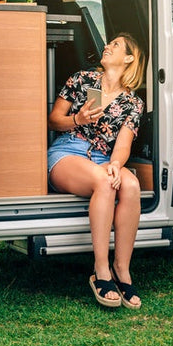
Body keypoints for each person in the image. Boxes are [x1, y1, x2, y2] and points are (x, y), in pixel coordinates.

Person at [47, 33, 147, 309]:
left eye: (115, 45)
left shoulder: (133, 103)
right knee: (105, 183)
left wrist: (116, 164)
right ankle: (101, 270)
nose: (107, 46)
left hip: (104, 157)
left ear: (129, 58)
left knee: (130, 185)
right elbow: (54, 121)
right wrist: (76, 119)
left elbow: (124, 143)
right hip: (69, 150)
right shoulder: (82, 80)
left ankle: (122, 269)